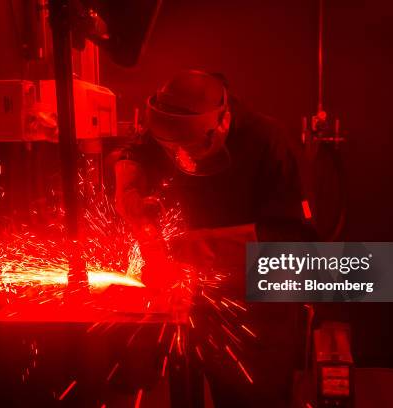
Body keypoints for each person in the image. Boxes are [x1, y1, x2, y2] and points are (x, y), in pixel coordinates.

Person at [115, 69, 310, 407]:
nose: (181, 158)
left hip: (259, 303)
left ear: (221, 123)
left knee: (250, 395)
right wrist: (128, 188)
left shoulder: (271, 143)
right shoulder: (171, 124)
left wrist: (198, 246)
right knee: (192, 377)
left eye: (190, 147)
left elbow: (292, 243)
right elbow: (137, 149)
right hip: (199, 292)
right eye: (171, 149)